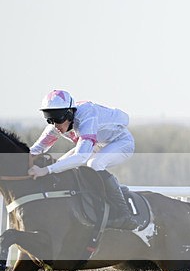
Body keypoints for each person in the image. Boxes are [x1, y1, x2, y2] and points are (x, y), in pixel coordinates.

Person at [27, 89, 139, 229]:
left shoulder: (87, 115)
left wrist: (46, 170)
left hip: (121, 142)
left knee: (95, 163)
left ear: (69, 113)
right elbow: (36, 150)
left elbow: (81, 157)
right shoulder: (56, 126)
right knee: (61, 165)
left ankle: (124, 214)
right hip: (96, 144)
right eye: (50, 119)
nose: (55, 125)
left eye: (58, 119)